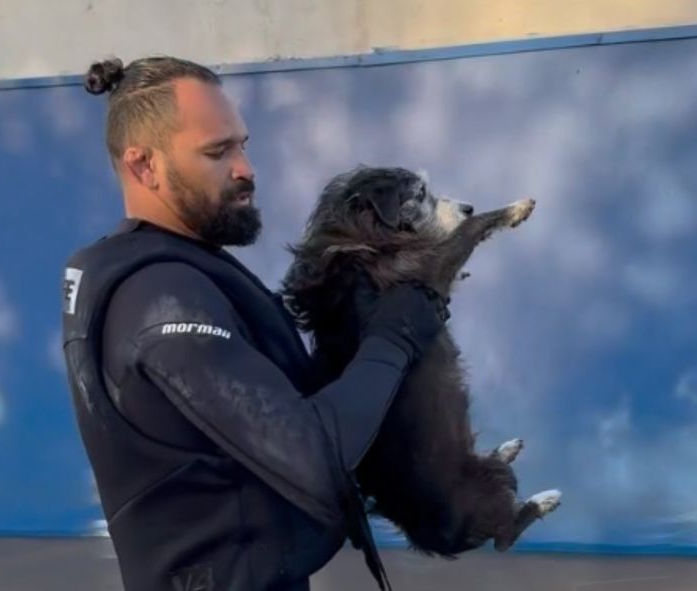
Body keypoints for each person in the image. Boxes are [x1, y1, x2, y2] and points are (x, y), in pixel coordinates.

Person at [60, 55, 449, 591]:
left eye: (242, 144)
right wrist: (395, 336)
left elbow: (277, 408)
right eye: (217, 151)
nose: (245, 168)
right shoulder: (160, 297)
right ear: (143, 166)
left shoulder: (184, 268)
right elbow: (311, 452)